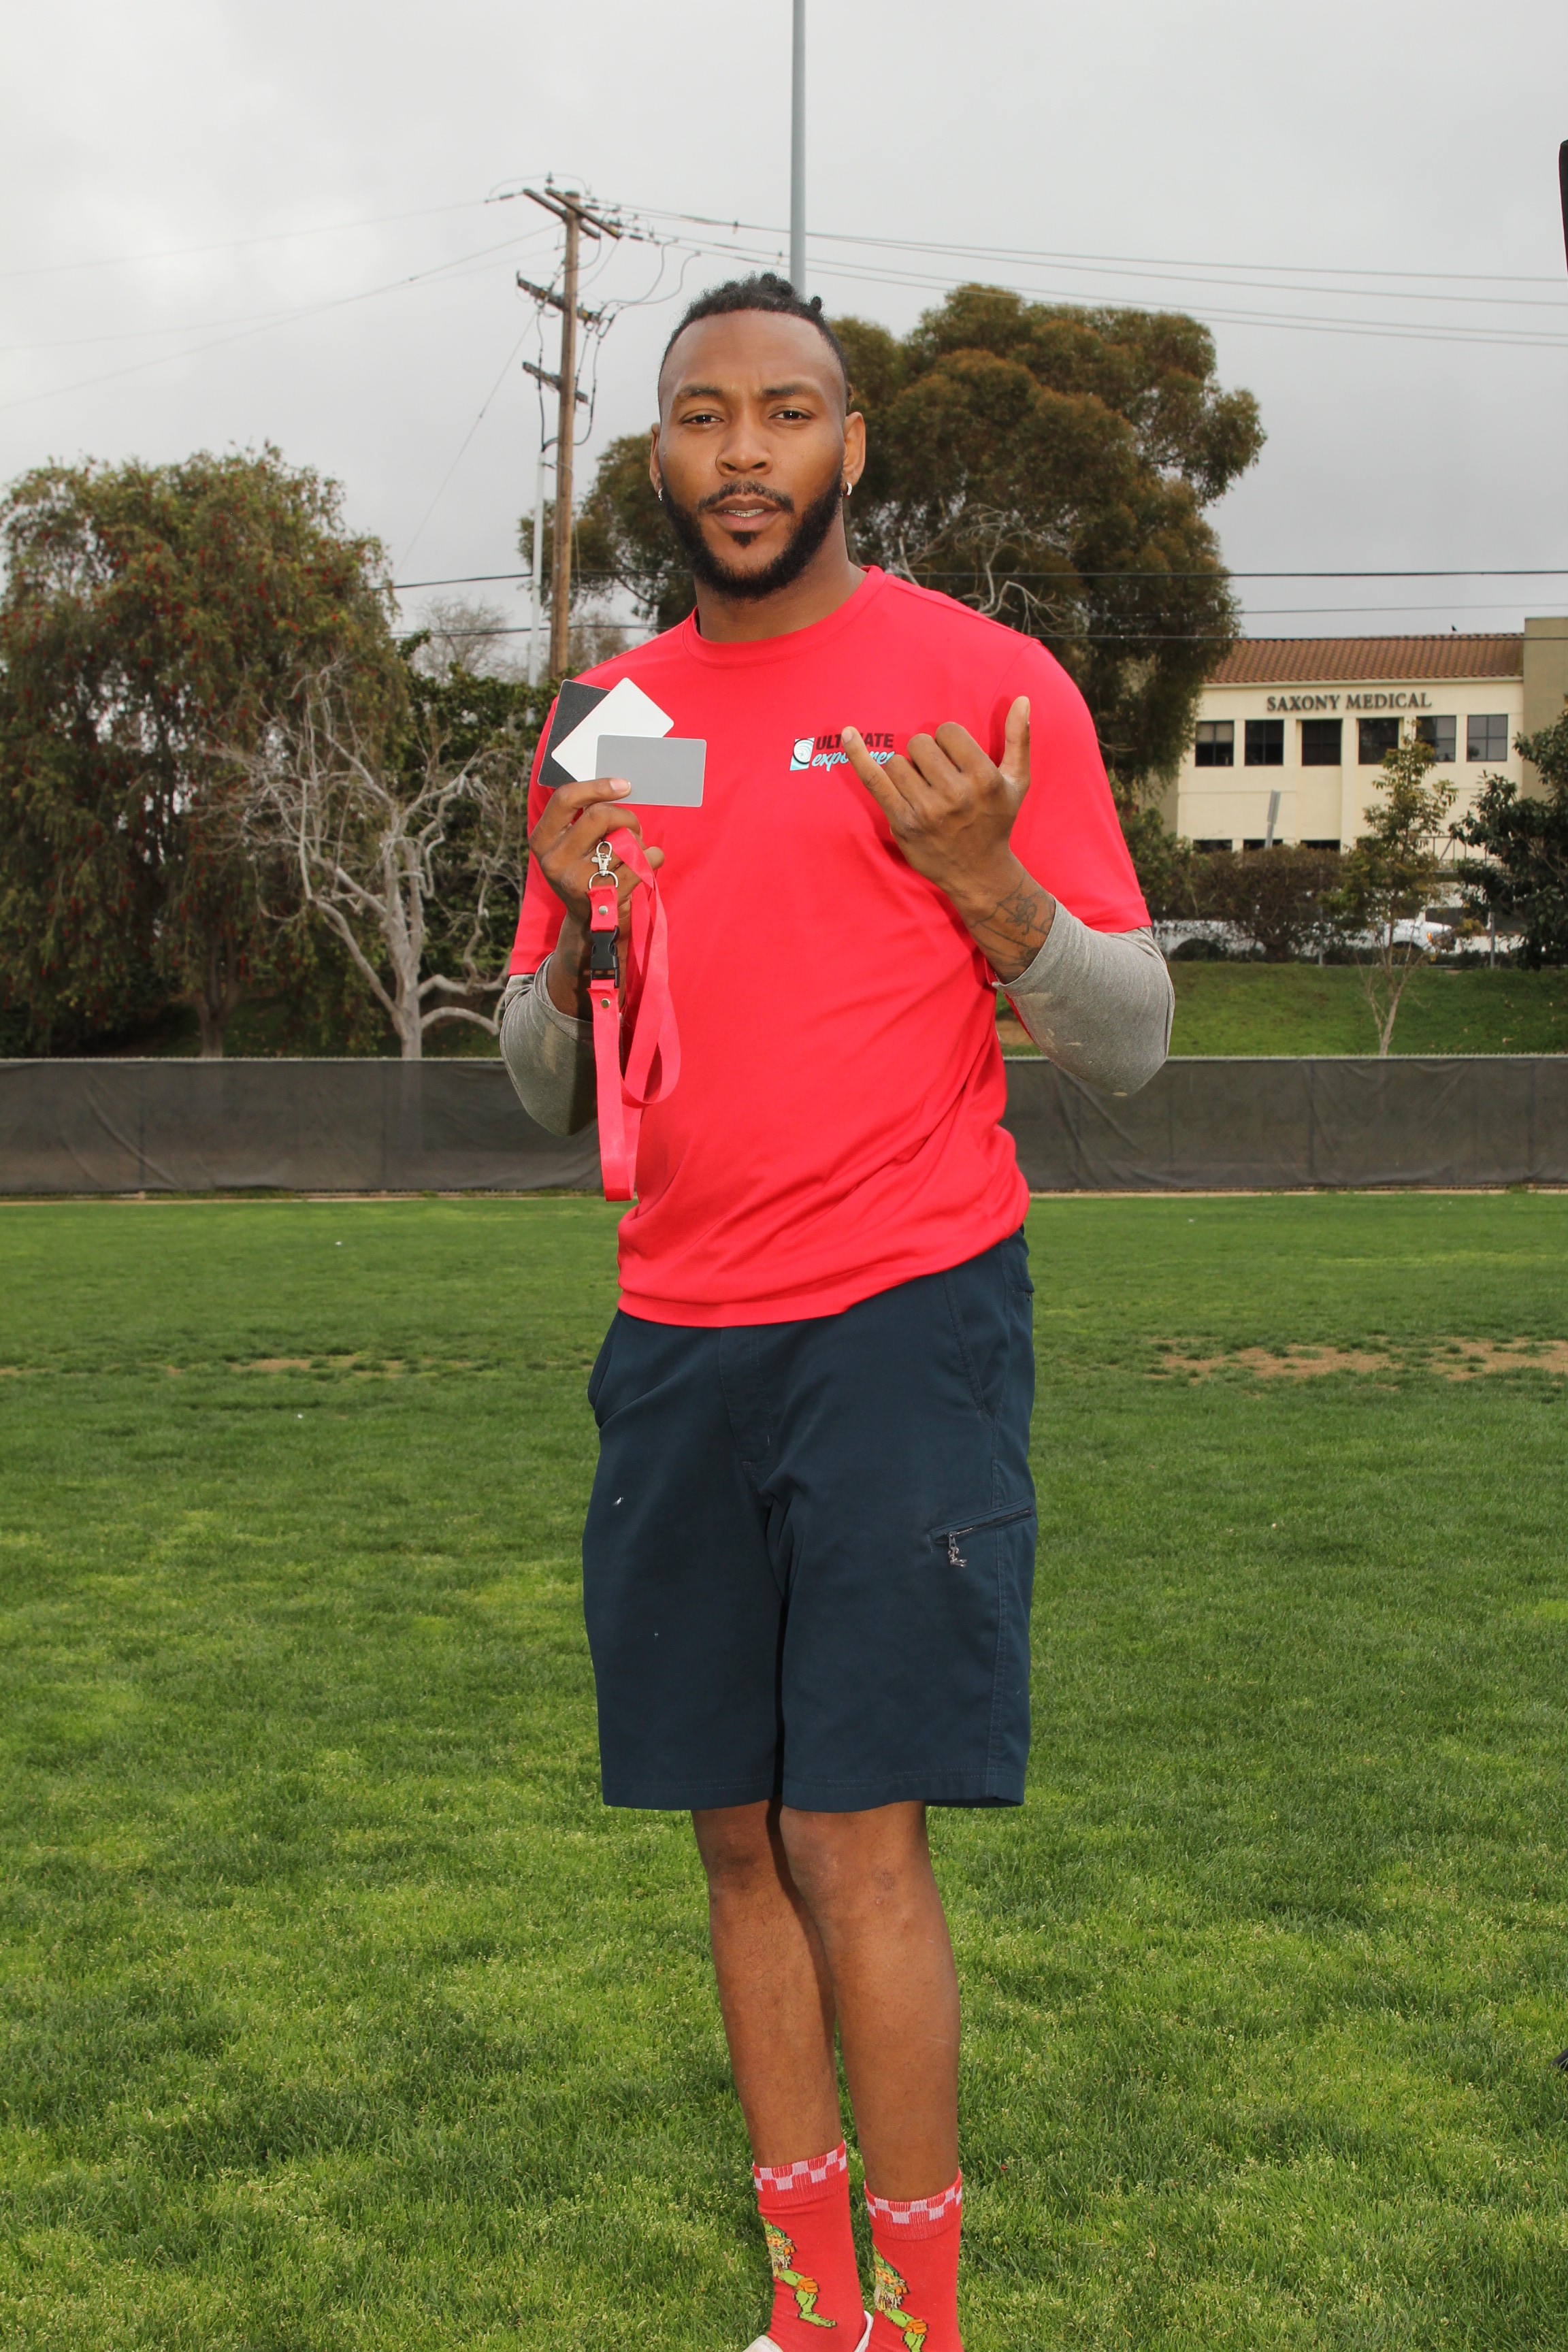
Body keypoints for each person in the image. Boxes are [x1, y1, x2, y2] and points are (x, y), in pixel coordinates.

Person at [500, 272, 1172, 2352]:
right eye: (704, 414)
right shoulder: (609, 717)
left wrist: (994, 887)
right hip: (674, 1332)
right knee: (734, 1837)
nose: (743, 451)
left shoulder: (982, 685)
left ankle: (924, 2318)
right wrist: (576, 935)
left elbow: (1132, 1040)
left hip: (903, 1314)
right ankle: (809, 2313)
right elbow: (539, 1080)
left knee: (851, 1833)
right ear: (662, 453)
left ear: (851, 446)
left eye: (785, 411)